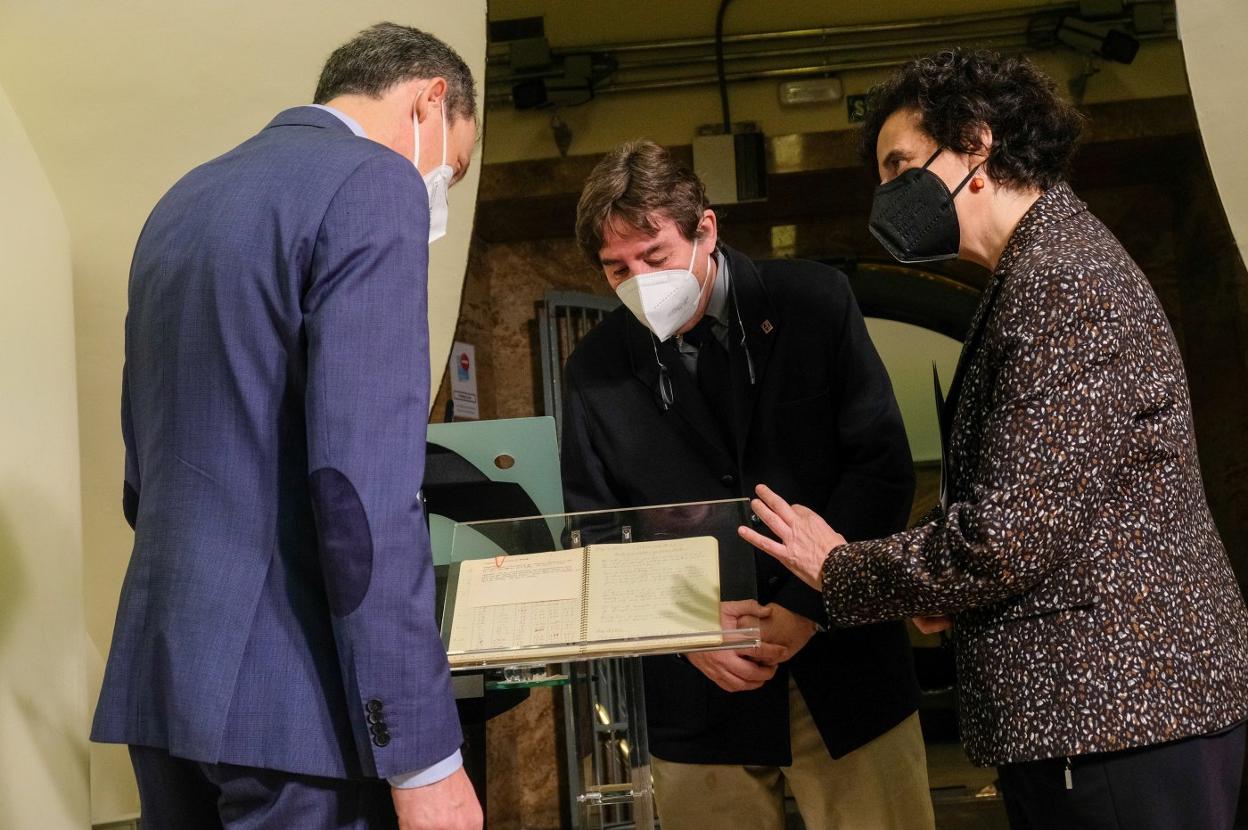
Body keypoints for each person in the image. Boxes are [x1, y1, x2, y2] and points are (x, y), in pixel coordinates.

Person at [740, 49, 1248, 830]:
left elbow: (1005, 540)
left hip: (1114, 707)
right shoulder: (1035, 272)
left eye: (901, 165)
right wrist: (944, 590)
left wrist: (838, 570)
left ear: (976, 144)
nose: (887, 196)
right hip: (1102, 709)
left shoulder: (1060, 282)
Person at [91, 23, 482, 830]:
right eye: (456, 164)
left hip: (166, 691)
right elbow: (361, 498)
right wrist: (423, 756)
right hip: (296, 715)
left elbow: (143, 471)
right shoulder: (375, 184)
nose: (441, 182)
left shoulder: (184, 199)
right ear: (431, 100)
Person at [562, 139, 934, 829]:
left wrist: (803, 606)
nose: (636, 280)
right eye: (615, 269)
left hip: (845, 666)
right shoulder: (595, 367)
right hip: (698, 694)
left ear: (706, 229)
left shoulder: (814, 302)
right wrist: (685, 633)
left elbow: (879, 469)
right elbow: (597, 529)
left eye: (653, 257)